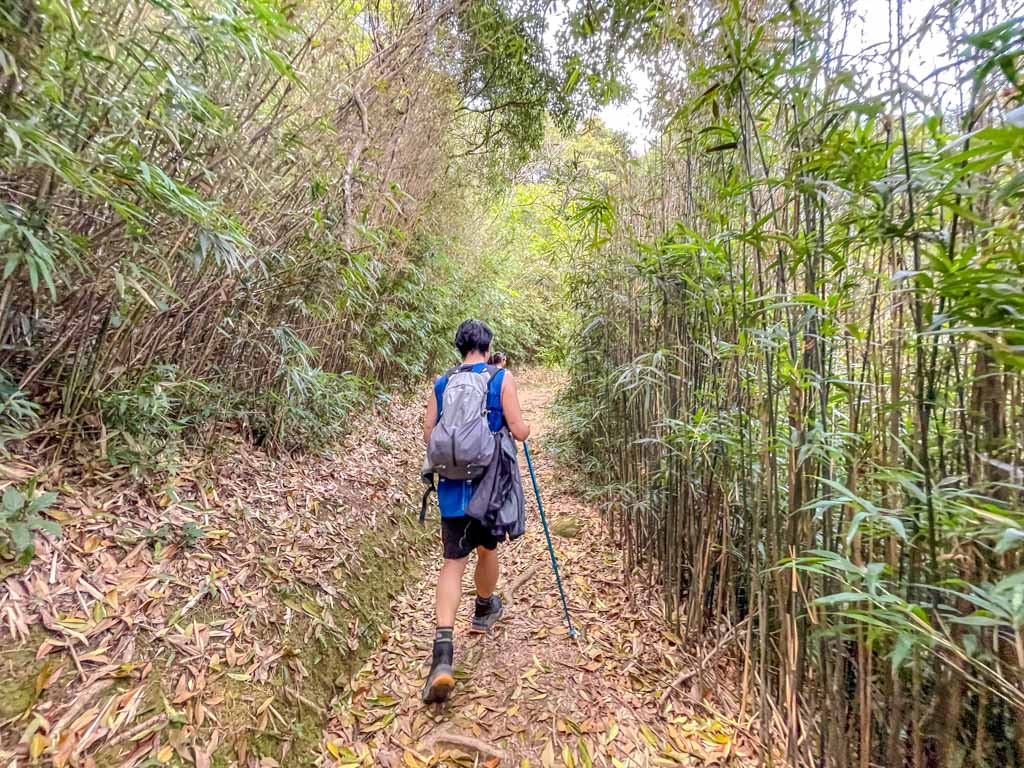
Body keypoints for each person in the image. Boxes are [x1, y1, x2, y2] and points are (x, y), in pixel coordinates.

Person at [421, 320, 531, 703]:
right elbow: (518, 430)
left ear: (459, 348)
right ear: (488, 346)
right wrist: (526, 425)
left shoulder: (442, 383)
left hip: (452, 488)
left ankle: (442, 655)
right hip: (488, 487)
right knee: (487, 551)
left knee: (453, 562)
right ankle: (484, 611)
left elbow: (429, 435)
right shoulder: (501, 379)